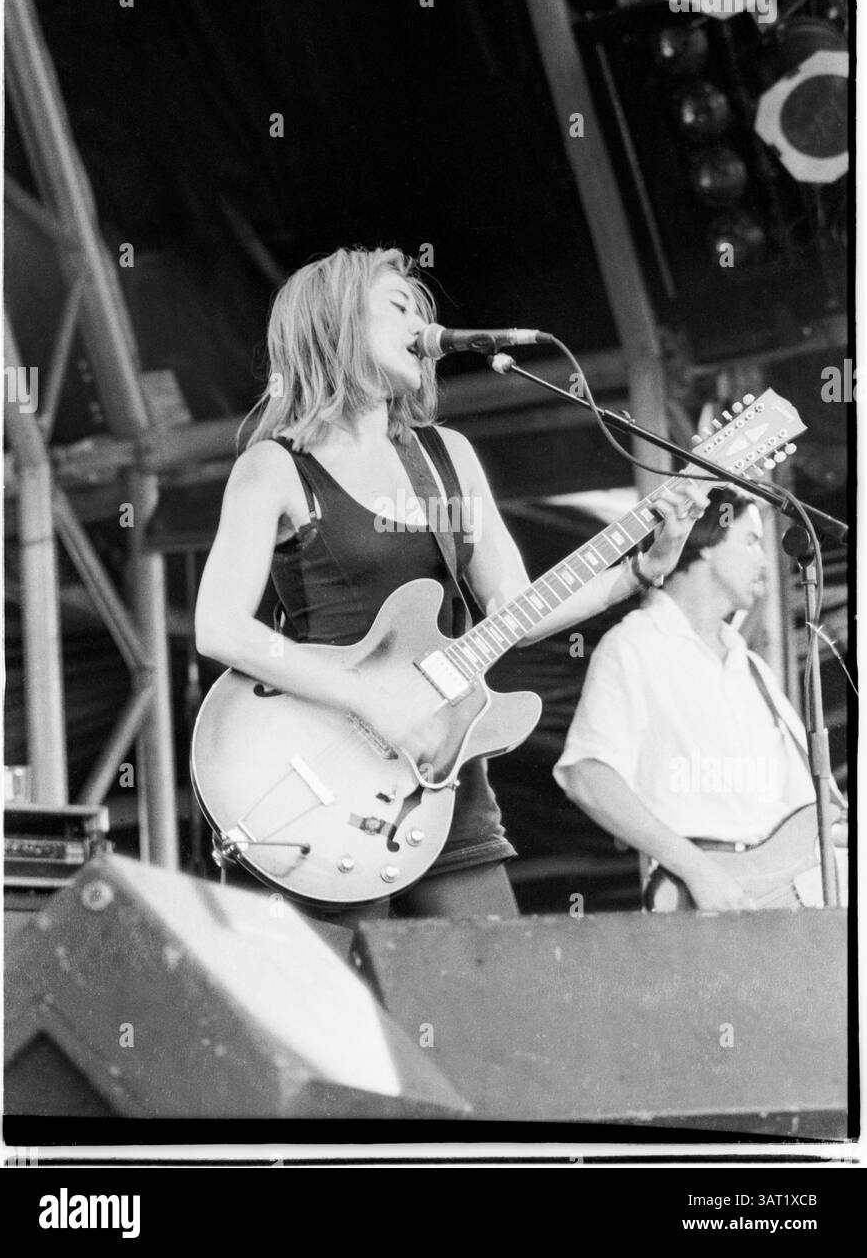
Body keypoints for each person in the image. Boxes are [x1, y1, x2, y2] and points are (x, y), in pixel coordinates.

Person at [195, 245, 708, 924]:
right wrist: (372, 704)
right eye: (399, 305)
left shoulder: (445, 461)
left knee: (490, 1001)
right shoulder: (276, 468)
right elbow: (221, 628)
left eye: (423, 309)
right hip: (316, 776)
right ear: (338, 322)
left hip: (444, 778)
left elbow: (514, 611)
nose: (422, 324)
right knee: (331, 1020)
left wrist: (644, 568)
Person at [553, 487, 845, 912]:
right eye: (750, 542)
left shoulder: (753, 671)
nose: (765, 561)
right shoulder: (635, 645)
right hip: (699, 895)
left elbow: (814, 815)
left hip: (788, 897)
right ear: (706, 543)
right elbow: (586, 776)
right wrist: (696, 869)